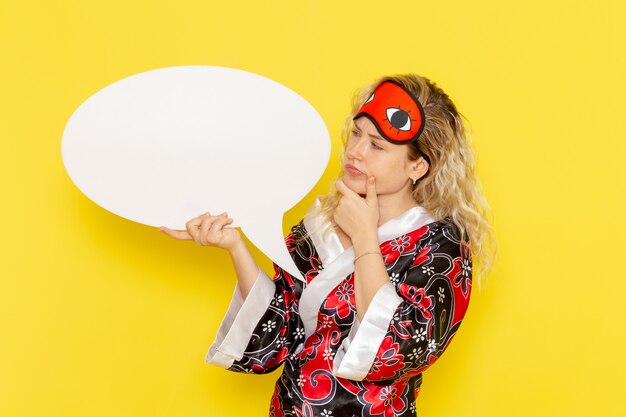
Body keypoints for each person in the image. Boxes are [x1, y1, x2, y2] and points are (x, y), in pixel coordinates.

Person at [159, 74, 497, 417]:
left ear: (418, 165)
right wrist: (235, 246)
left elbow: (400, 351)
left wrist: (365, 237)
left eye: (376, 145)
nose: (355, 152)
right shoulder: (320, 224)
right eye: (356, 133)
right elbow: (278, 334)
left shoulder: (441, 247)